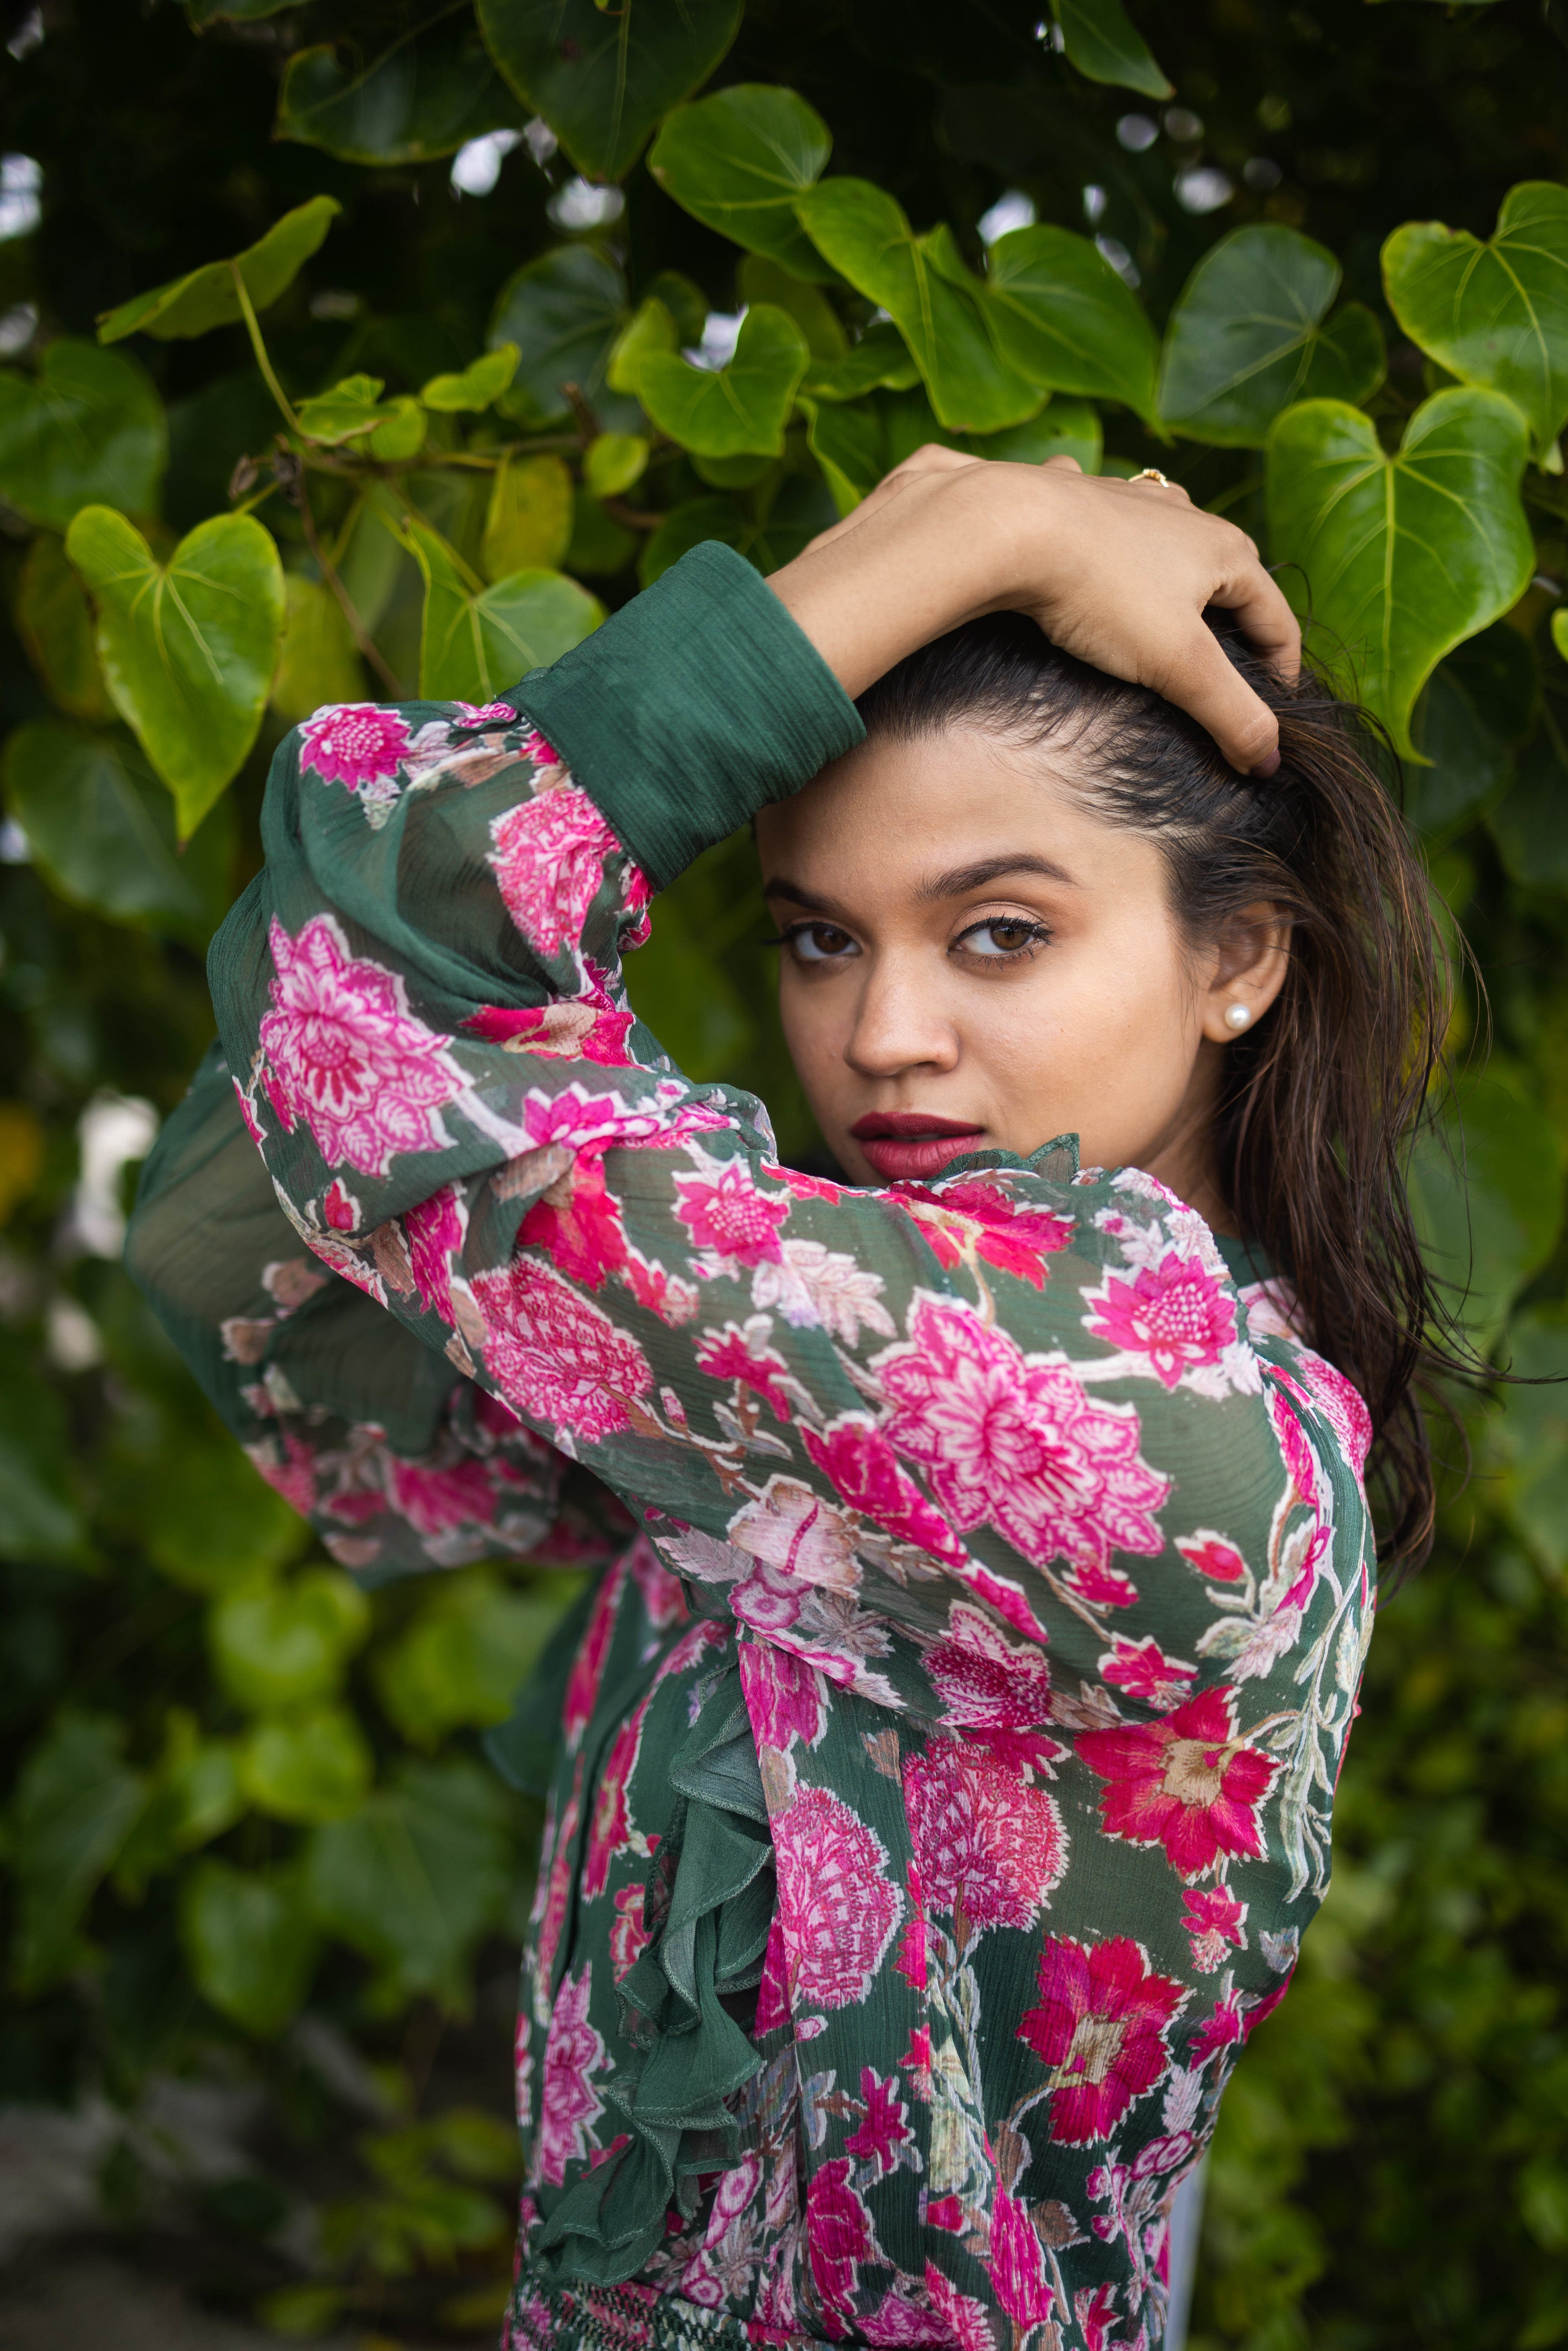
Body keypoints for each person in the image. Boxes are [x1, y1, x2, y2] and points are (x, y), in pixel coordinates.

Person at [126, 450, 1448, 2351]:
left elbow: (364, 1007)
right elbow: (262, 1206)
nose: (883, 1035)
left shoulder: (1148, 1412)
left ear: (1237, 956)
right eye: (823, 936)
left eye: (1000, 930)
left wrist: (974, 535)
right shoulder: (815, 1379)